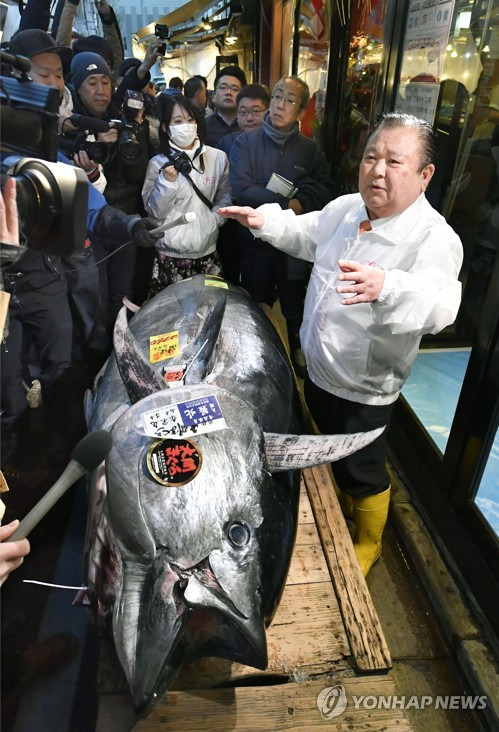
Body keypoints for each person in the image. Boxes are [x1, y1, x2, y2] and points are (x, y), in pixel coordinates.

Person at [219, 112, 463, 577]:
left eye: (395, 161)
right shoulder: (347, 209)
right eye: (372, 156)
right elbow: (307, 233)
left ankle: (368, 540)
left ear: (425, 174)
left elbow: (440, 304)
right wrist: (263, 221)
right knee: (329, 446)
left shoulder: (434, 239)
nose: (377, 170)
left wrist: (387, 286)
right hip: (320, 367)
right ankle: (344, 507)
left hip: (365, 384)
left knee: (363, 468)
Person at [229, 75, 332, 376]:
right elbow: (242, 188)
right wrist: (290, 205)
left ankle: (298, 354)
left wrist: (304, 199)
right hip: (253, 244)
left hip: (293, 248)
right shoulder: (244, 142)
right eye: (277, 96)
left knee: (294, 301)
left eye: (289, 100)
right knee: (254, 302)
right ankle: (252, 361)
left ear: (301, 112)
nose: (280, 105)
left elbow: (324, 187)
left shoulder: (310, 150)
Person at [142, 95, 231, 291]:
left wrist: (215, 219)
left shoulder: (218, 158)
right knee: (171, 317)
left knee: (208, 311)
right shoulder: (157, 163)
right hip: (169, 256)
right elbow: (155, 214)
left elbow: (225, 194)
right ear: (166, 127)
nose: (186, 126)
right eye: (178, 121)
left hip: (207, 252)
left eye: (190, 120)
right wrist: (166, 183)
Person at [216, 84, 270, 284]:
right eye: (243, 112)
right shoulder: (225, 143)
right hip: (230, 222)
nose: (249, 118)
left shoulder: (272, 144)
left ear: (268, 112)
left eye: (256, 112)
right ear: (237, 116)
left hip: (263, 220)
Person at [205, 66, 247, 146]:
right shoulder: (203, 127)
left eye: (234, 89)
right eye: (223, 87)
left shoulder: (249, 125)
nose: (228, 92)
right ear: (213, 96)